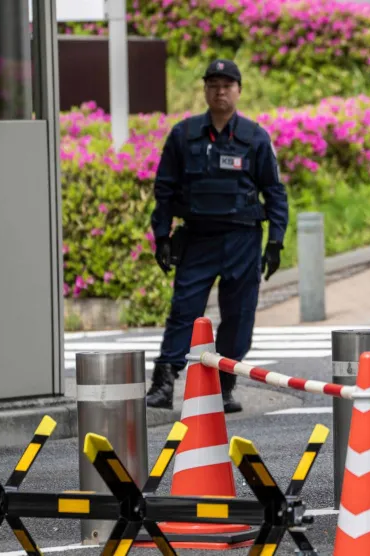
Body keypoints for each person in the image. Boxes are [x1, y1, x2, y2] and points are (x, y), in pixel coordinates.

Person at [145, 59, 289, 414]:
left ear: (238, 90)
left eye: (227, 86)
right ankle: (164, 382)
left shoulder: (255, 137)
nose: (220, 92)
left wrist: (275, 242)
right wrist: (162, 237)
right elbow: (164, 190)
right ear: (205, 90)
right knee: (184, 311)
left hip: (242, 240)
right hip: (198, 239)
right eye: (213, 85)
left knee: (239, 316)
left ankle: (224, 385)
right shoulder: (184, 135)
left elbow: (274, 192)